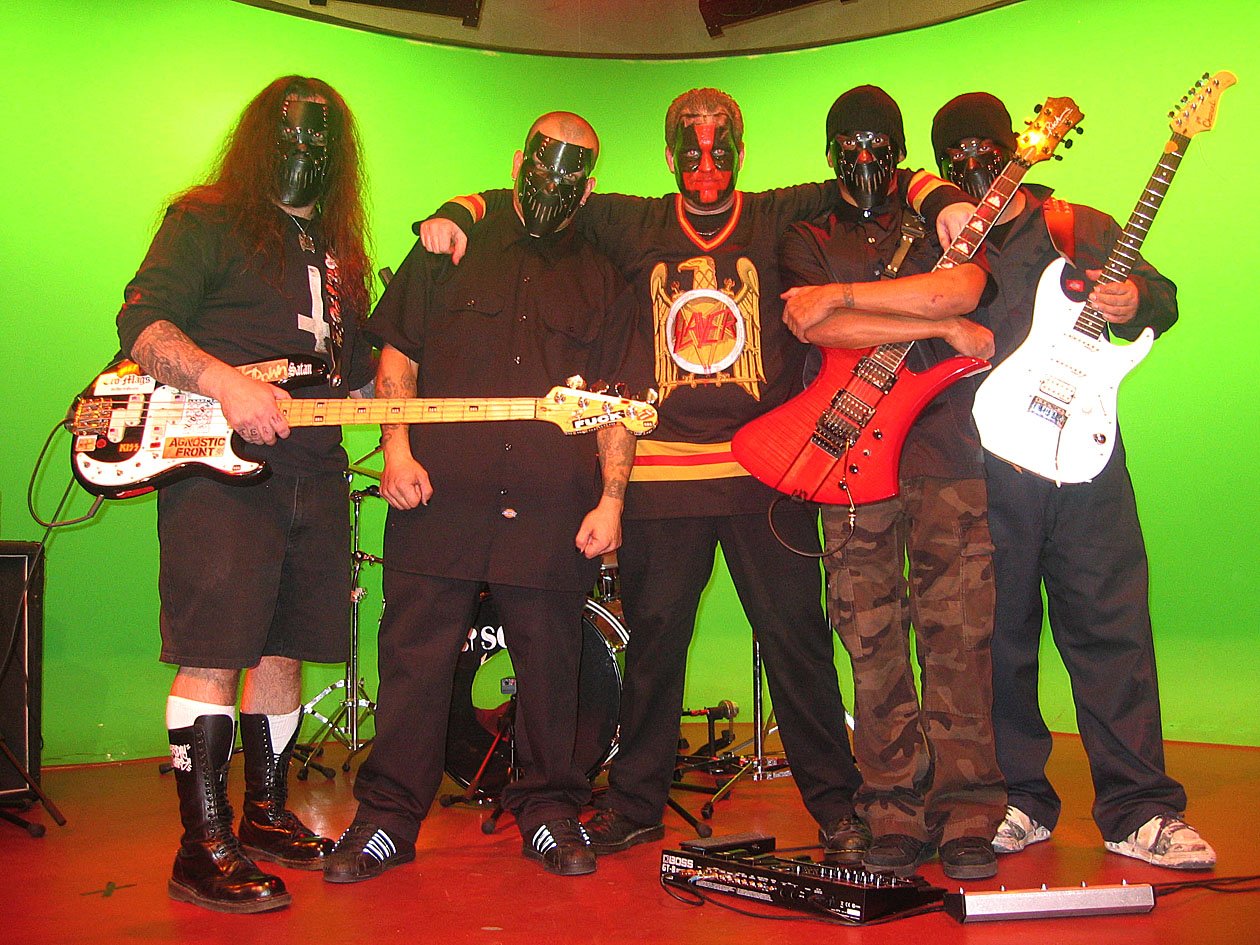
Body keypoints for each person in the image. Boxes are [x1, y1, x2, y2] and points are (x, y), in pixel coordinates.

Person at [419, 88, 976, 864]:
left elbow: (875, 173)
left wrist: (943, 197)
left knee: (798, 645)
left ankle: (836, 805)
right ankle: (636, 804)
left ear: (742, 151)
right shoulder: (631, 221)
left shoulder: (777, 212)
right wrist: (459, 211)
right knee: (653, 649)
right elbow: (539, 193)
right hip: (664, 475)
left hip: (765, 469)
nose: (707, 164)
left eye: (722, 149)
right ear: (668, 154)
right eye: (692, 150)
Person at [323, 111, 640, 882]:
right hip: (441, 496)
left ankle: (550, 810)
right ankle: (388, 817)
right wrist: (397, 450)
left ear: (588, 187)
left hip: (550, 505)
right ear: (518, 160)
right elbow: (398, 356)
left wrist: (612, 500)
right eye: (543, 167)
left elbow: (618, 403)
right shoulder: (451, 243)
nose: (554, 186)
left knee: (551, 665)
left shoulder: (603, 274)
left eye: (572, 177)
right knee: (413, 660)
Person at [930, 91, 1216, 870]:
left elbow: (1162, 299)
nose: (975, 167)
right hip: (988, 463)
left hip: (1088, 460)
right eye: (956, 159)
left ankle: (1139, 808)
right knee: (999, 637)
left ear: (1018, 148)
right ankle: (1018, 798)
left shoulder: (1075, 225)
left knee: (1112, 629)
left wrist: (1135, 299)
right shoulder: (947, 240)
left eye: (987, 151)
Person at [115, 76, 375, 913]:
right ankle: (201, 846)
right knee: (215, 649)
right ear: (262, 138)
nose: (305, 154)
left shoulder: (339, 252)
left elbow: (358, 371)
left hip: (314, 469)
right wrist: (225, 382)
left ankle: (263, 813)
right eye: (291, 137)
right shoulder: (208, 217)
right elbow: (144, 325)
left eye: (320, 142)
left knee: (284, 646)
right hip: (219, 469)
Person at [777, 85, 1006, 881]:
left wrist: (854, 299)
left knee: (959, 632)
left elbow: (961, 288)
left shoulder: (943, 218)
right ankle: (893, 808)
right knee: (868, 634)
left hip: (946, 451)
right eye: (851, 143)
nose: (866, 156)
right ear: (829, 151)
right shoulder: (807, 234)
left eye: (881, 143)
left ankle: (969, 810)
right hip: (849, 460)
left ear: (902, 150)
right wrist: (935, 324)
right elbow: (817, 323)